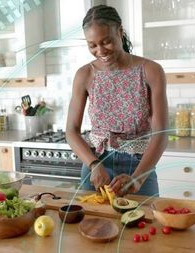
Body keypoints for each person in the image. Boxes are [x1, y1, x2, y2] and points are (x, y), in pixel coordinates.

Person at [65, 4, 168, 197]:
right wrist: (94, 164)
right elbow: (71, 130)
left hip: (140, 167)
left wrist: (138, 178)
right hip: (96, 165)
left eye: (106, 42)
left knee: (143, 224)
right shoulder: (85, 75)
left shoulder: (150, 70)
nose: (100, 50)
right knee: (92, 225)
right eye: (92, 45)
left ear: (119, 32)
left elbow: (161, 133)